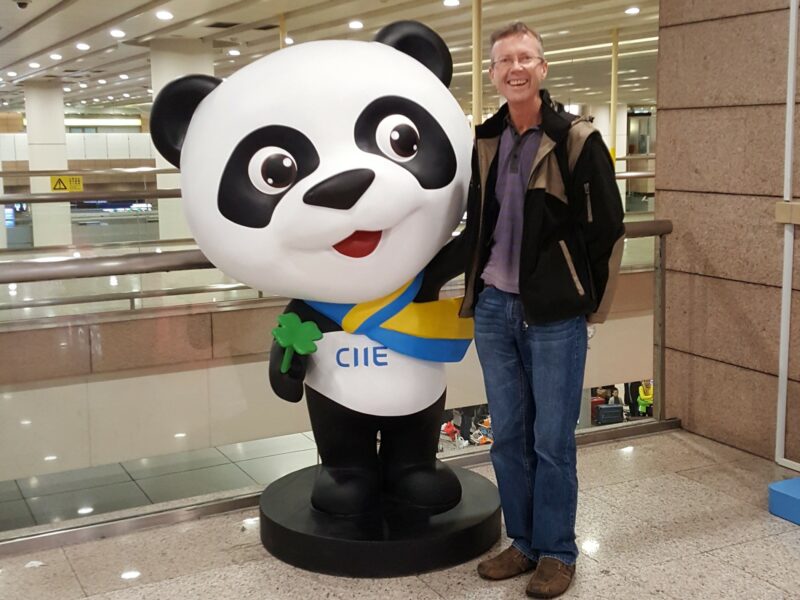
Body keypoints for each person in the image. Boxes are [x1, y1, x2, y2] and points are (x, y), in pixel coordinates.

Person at [460, 21, 625, 599]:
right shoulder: (486, 138)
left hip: (553, 316)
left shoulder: (574, 138)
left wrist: (583, 302)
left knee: (552, 439)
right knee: (507, 435)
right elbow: (476, 223)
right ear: (493, 73)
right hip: (494, 308)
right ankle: (524, 541)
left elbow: (607, 227)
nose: (515, 69)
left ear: (543, 68)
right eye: (505, 60)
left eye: (526, 58)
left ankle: (557, 550)